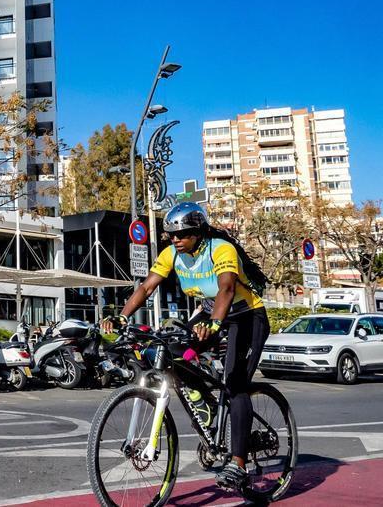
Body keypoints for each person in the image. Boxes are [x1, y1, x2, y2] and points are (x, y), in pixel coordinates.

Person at [115, 202, 268, 492]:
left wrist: (213, 325)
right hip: (209, 314)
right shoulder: (171, 254)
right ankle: (207, 405)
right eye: (171, 234)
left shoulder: (221, 249)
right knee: (173, 354)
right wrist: (122, 317)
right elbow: (147, 287)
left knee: (235, 383)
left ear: (198, 232)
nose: (175, 239)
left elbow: (226, 289)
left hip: (245, 316)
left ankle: (237, 462)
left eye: (182, 234)